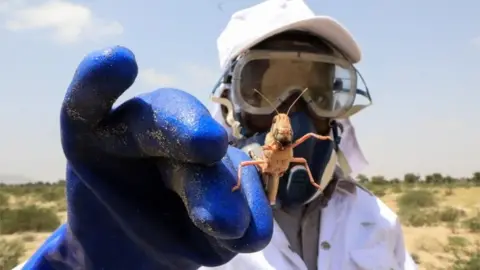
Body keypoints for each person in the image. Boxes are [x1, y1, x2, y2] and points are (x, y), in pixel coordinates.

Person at [14, 0, 417, 269]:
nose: (293, 116)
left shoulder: (379, 221)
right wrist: (75, 261)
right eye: (266, 86)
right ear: (227, 101)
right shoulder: (186, 227)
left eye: (322, 91)